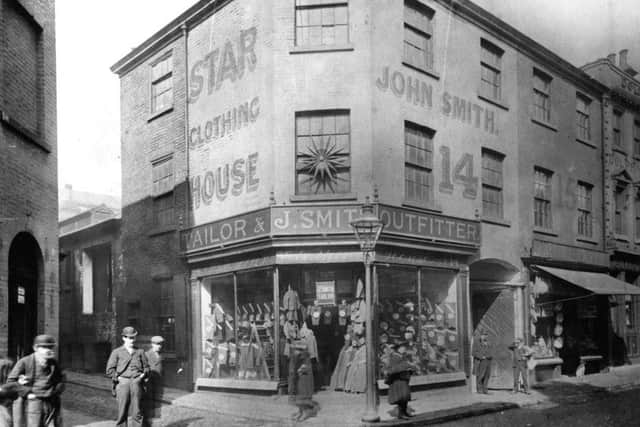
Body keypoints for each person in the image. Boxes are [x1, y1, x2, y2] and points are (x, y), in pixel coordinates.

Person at [7, 334, 66, 427]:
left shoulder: (54, 363)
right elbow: (11, 382)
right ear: (36, 348)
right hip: (32, 402)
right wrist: (27, 393)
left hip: (50, 402)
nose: (49, 350)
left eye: (51, 347)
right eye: (45, 347)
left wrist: (56, 391)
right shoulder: (25, 362)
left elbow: (61, 379)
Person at [106, 327, 150, 427]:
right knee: (122, 412)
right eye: (129, 338)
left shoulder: (140, 352)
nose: (131, 340)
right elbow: (109, 370)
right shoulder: (116, 352)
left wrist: (143, 375)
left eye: (133, 338)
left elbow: (146, 367)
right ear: (123, 338)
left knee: (137, 412)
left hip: (137, 383)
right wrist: (118, 378)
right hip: (123, 384)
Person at [384, 343, 414, 420]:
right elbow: (392, 369)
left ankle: (404, 412)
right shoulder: (393, 357)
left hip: (403, 378)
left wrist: (409, 368)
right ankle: (401, 414)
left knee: (405, 397)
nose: (405, 349)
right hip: (397, 380)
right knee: (401, 397)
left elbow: (405, 365)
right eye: (403, 348)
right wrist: (404, 368)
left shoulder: (399, 356)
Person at [291, 346, 319, 422]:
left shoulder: (305, 358)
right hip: (300, 378)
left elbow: (306, 368)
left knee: (303, 396)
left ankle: (305, 412)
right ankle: (300, 411)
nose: (296, 351)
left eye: (298, 350)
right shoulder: (299, 357)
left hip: (304, 378)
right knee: (298, 395)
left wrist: (300, 370)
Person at [143, 336, 164, 426]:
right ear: (152, 344)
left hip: (157, 384)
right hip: (149, 385)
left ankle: (149, 424)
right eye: (157, 344)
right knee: (147, 407)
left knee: (154, 407)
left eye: (160, 344)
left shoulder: (160, 355)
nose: (159, 346)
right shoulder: (147, 355)